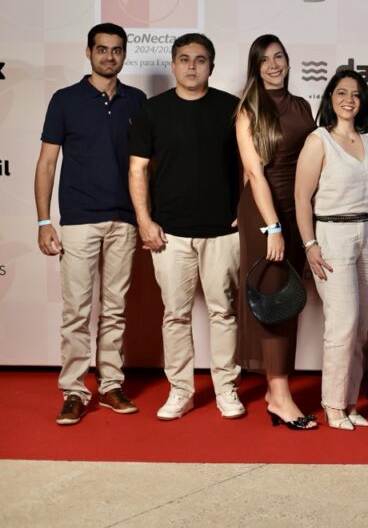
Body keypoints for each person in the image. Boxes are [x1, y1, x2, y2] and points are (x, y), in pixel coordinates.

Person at [128, 33, 245, 421]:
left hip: (222, 231)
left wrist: (244, 211)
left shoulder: (231, 108)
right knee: (175, 314)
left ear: (211, 66)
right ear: (173, 64)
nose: (192, 66)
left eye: (200, 59)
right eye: (184, 59)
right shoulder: (152, 110)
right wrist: (145, 221)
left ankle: (226, 388)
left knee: (223, 313)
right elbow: (138, 169)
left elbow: (250, 166)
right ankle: (181, 390)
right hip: (169, 232)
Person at [35, 22, 146, 425]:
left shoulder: (137, 101)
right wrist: (44, 220)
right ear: (88, 52)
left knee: (115, 310)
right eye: (102, 49)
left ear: (124, 54)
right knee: (77, 311)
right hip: (80, 219)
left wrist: (146, 217)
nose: (109, 56)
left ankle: (111, 385)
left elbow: (145, 166)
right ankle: (74, 390)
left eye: (117, 50)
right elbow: (47, 163)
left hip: (125, 220)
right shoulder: (65, 100)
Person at [234, 34, 317, 430]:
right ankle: (281, 396)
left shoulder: (302, 106)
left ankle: (275, 391)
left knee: (289, 300)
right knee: (271, 303)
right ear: (256, 66)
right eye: (265, 59)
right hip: (266, 214)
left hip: (297, 210)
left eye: (279, 56)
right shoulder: (248, 110)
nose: (273, 65)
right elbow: (253, 172)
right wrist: (272, 227)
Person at [295, 69, 368, 431]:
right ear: (330, 97)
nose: (349, 99)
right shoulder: (319, 140)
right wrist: (309, 244)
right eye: (342, 92)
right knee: (342, 325)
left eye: (356, 94)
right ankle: (332, 405)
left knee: (361, 328)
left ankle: (349, 401)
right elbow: (301, 197)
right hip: (332, 234)